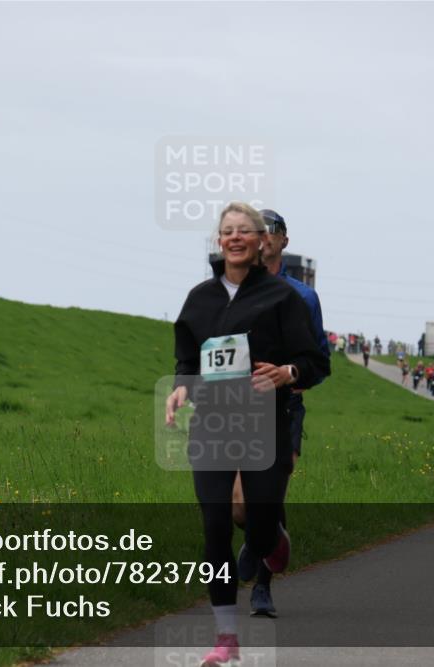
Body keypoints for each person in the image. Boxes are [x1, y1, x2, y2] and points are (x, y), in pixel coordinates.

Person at [167, 202, 328, 665]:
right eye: (227, 231)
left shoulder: (284, 298)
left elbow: (316, 363)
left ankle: (270, 541)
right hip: (213, 426)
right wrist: (180, 390)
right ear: (219, 241)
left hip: (266, 425)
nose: (235, 238)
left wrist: (287, 372)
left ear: (261, 241)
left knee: (255, 525)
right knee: (216, 526)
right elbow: (187, 359)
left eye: (244, 231)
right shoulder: (200, 299)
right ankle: (226, 637)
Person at [231, 208, 330, 619]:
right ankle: (264, 540)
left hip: (283, 405)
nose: (261, 237)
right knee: (239, 506)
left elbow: (318, 357)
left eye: (268, 230)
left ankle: (262, 590)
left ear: (283, 241)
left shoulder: (302, 297)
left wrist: (295, 373)